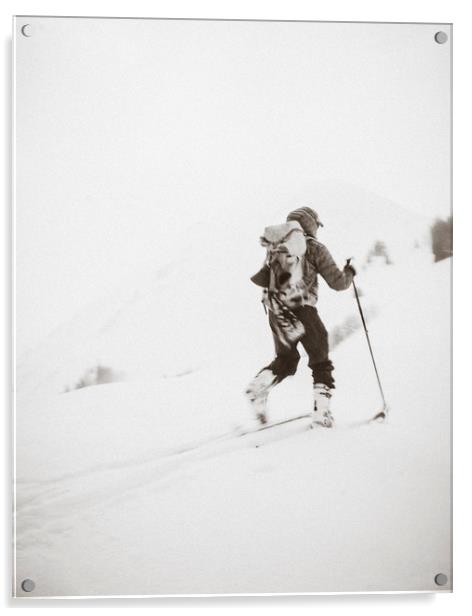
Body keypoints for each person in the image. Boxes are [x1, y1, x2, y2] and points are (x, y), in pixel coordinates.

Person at [246, 206, 356, 427]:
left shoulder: (275, 249)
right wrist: (350, 273)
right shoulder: (314, 248)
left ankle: (259, 386)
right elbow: (338, 283)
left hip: (277, 313)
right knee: (320, 360)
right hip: (304, 310)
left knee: (286, 360)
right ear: (311, 224)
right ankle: (321, 413)